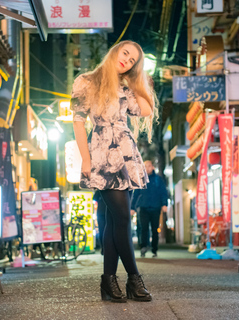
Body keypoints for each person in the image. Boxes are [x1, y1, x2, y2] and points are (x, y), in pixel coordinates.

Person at [72, 40, 158, 303]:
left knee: (114, 222)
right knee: (121, 218)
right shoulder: (86, 81)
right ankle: (134, 278)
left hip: (126, 153)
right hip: (101, 153)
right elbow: (78, 121)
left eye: (133, 61)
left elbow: (146, 109)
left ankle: (109, 281)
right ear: (115, 52)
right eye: (125, 54)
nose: (127, 61)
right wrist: (85, 159)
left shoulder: (125, 86)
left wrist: (137, 79)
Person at [131, 160, 168, 258]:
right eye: (145, 166)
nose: (147, 168)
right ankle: (143, 247)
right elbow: (136, 194)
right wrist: (132, 207)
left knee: (155, 229)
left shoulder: (158, 179)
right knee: (144, 228)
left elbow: (163, 192)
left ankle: (154, 249)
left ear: (152, 167)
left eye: (149, 166)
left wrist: (164, 204)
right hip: (143, 207)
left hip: (156, 207)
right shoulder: (140, 179)